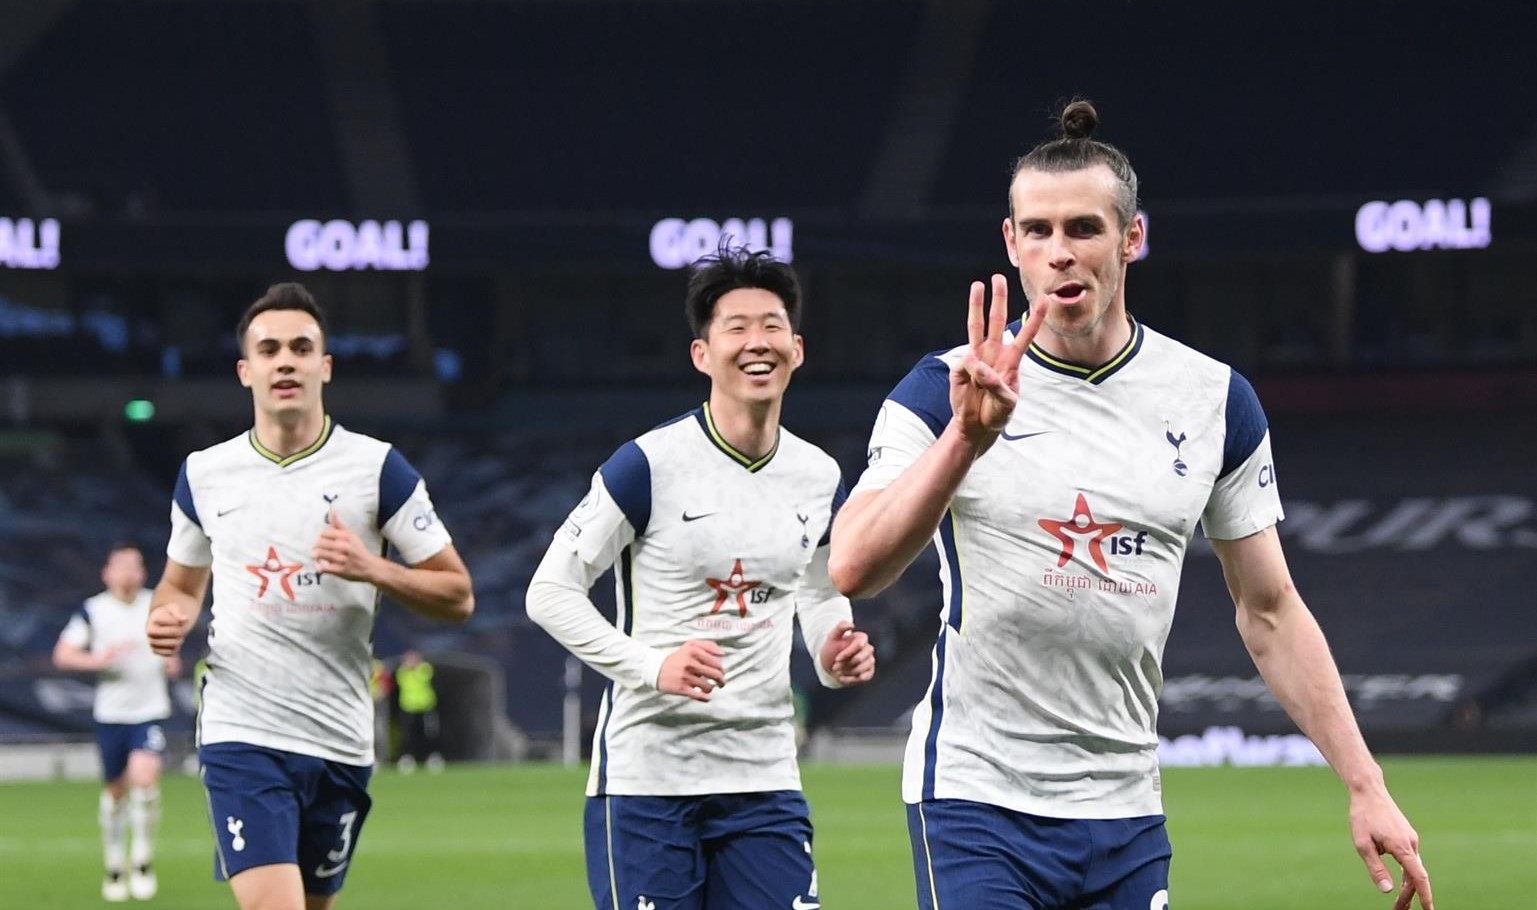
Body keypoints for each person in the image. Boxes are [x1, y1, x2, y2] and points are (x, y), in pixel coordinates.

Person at [827, 100, 1433, 910]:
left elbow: (1270, 611)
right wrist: (964, 443)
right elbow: (853, 566)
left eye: (1083, 227)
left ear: (1131, 238)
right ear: (1009, 244)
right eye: (1036, 231)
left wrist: (1365, 784)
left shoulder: (1215, 400)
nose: (1059, 253)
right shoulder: (944, 390)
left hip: (1125, 815)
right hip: (975, 801)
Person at [526, 245, 876, 910]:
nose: (756, 342)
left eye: (771, 326)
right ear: (701, 354)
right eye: (735, 327)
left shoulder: (819, 475)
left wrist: (833, 648)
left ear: (796, 349)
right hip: (648, 784)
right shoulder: (646, 466)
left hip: (765, 779)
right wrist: (651, 666)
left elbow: (817, 585)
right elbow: (549, 591)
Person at [145, 282, 474, 910]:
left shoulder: (378, 469)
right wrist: (169, 618)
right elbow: (181, 586)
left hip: (340, 738)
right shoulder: (204, 473)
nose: (286, 361)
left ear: (325, 365)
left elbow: (457, 594)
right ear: (247, 371)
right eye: (269, 349)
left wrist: (374, 570)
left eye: (301, 347)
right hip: (243, 731)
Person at [54, 543, 179, 902]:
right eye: (119, 567)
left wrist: (170, 661)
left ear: (142, 573)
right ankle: (114, 864)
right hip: (111, 714)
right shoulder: (94, 610)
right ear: (106, 573)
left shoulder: (155, 604)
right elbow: (63, 654)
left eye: (133, 567)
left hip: (149, 710)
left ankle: (141, 859)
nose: (126, 574)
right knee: (115, 793)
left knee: (145, 780)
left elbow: (172, 650)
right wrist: (98, 660)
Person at [392, 649, 444, 773]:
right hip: (408, 708)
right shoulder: (402, 671)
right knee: (408, 735)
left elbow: (425, 676)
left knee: (429, 734)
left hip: (425, 707)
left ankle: (433, 758)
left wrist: (415, 667)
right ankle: (408, 758)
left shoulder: (425, 669)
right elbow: (401, 680)